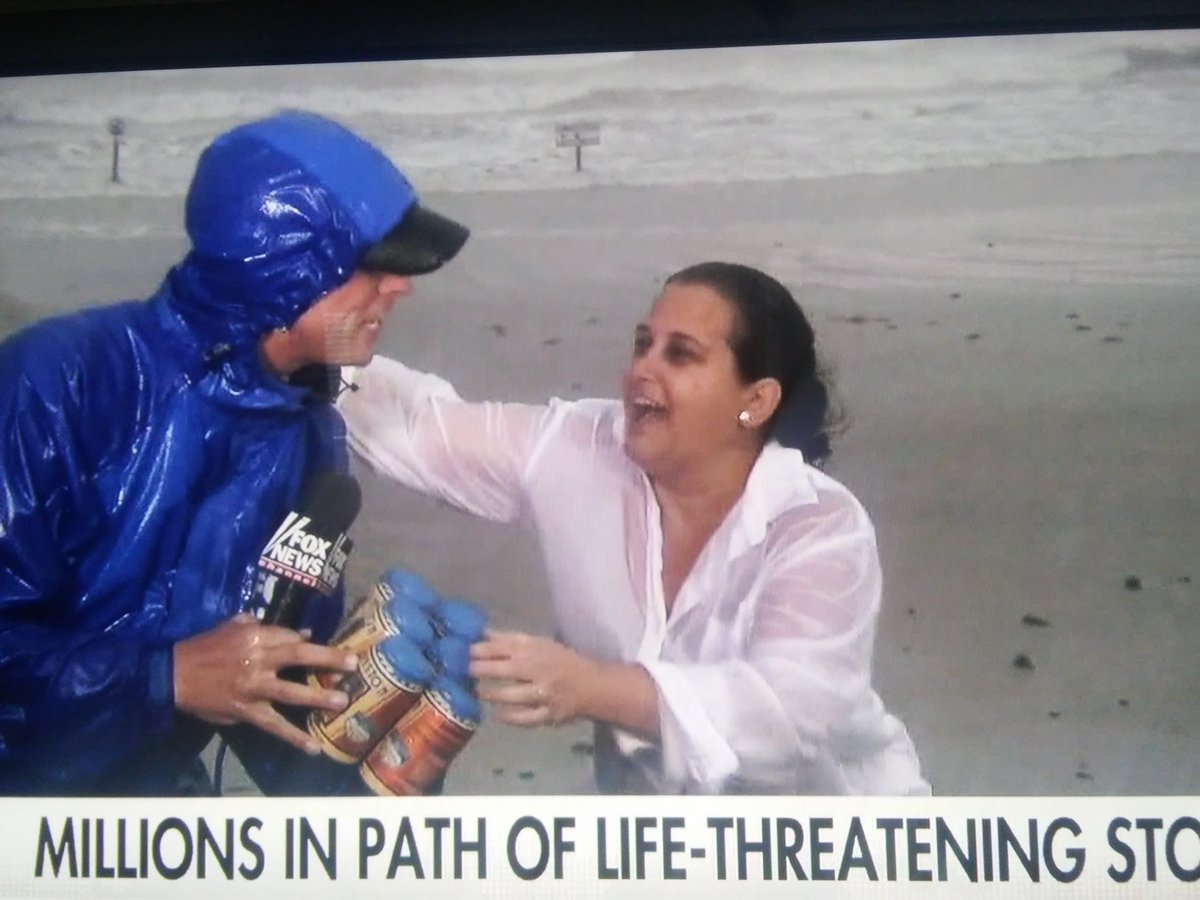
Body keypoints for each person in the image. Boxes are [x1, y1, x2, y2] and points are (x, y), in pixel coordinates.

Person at [0, 110, 469, 795]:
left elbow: (263, 686)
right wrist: (167, 677)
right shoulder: (55, 384)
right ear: (286, 272)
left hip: (149, 821)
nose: (400, 287)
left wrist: (363, 752)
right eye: (375, 266)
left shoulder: (311, 436)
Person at [340, 261, 929, 795]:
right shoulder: (577, 449)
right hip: (654, 841)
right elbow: (414, 425)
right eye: (643, 344)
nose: (642, 368)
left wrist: (591, 687)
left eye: (681, 354)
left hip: (842, 847)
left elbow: (785, 718)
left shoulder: (819, 525)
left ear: (755, 401)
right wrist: (285, 335)